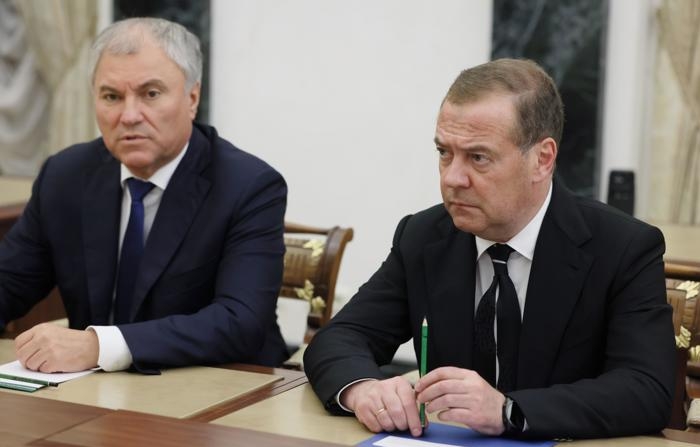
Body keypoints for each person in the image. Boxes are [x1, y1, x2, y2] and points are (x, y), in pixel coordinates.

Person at [304, 58, 675, 439]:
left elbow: (646, 389)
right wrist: (365, 390)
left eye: (478, 157)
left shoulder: (623, 247)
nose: (452, 178)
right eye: (444, 153)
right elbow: (340, 338)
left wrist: (507, 411)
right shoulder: (424, 235)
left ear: (542, 160)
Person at [0, 17, 289, 373]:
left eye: (150, 94)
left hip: (217, 393)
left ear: (192, 98)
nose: (129, 115)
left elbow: (239, 322)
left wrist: (99, 346)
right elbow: (9, 282)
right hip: (91, 393)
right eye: (111, 96)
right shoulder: (65, 175)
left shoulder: (248, 186)